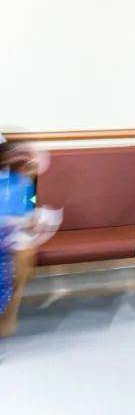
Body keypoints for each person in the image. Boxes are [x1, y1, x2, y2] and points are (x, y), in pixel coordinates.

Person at [0, 137, 59, 337]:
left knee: (23, 252)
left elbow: (26, 207)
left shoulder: (21, 183)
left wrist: (32, 219)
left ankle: (8, 314)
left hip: (12, 232)